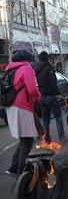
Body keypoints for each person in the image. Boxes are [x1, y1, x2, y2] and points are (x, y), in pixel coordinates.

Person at [5, 49, 41, 177]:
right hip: (23, 108)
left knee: (24, 139)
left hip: (11, 107)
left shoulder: (10, 69)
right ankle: (21, 174)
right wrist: (38, 97)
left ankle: (13, 168)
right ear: (27, 59)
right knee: (27, 141)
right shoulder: (26, 68)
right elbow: (32, 89)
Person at [35, 51, 66, 143]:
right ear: (47, 58)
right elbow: (53, 82)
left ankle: (47, 139)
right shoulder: (49, 68)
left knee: (45, 119)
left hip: (42, 97)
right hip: (51, 96)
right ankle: (62, 138)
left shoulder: (37, 69)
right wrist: (58, 94)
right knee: (58, 117)